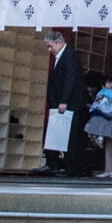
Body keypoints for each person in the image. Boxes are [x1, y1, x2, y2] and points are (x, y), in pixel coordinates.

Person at [42, 30, 85, 176]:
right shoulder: (61, 56)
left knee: (70, 136)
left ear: (59, 43)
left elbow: (70, 80)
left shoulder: (70, 56)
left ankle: (71, 167)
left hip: (69, 103)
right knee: (55, 133)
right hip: (59, 102)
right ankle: (52, 163)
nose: (50, 50)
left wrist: (64, 101)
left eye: (50, 46)